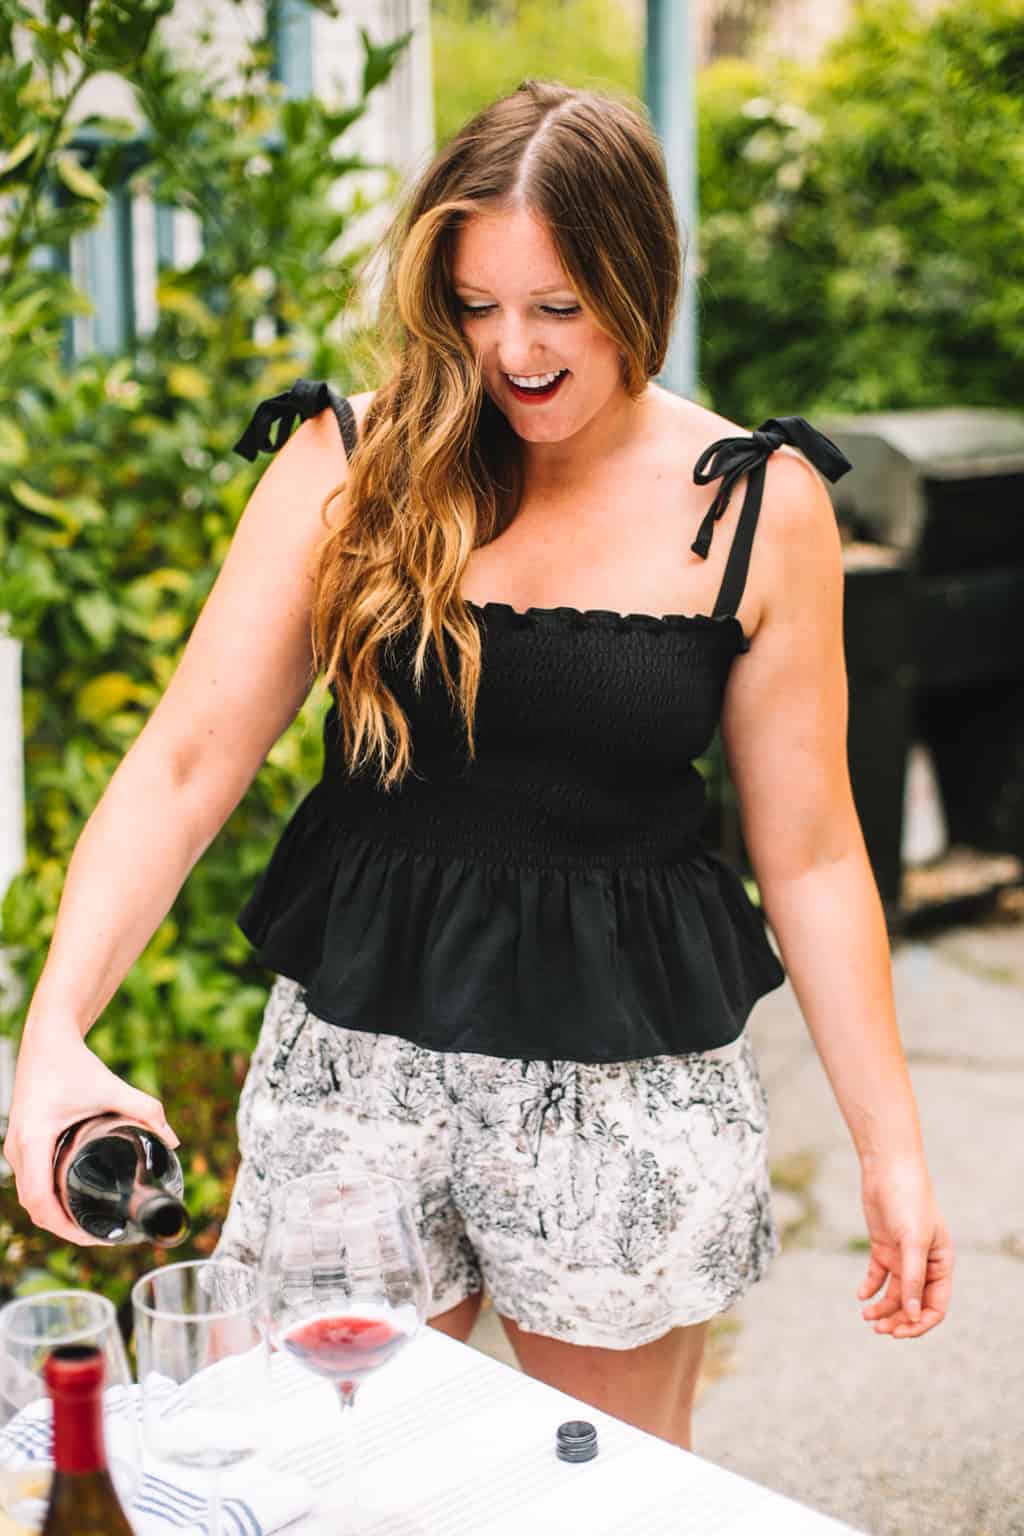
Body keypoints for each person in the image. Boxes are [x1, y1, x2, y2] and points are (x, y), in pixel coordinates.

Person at [5, 78, 952, 1452]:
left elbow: (809, 853)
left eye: (557, 304)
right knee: (334, 1481)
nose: (512, 350)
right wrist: (52, 1034)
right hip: (356, 1069)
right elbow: (186, 760)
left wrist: (894, 1150)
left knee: (595, 1499)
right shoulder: (356, 462)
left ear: (642, 277)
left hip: (628, 1089)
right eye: (473, 303)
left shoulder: (758, 505)